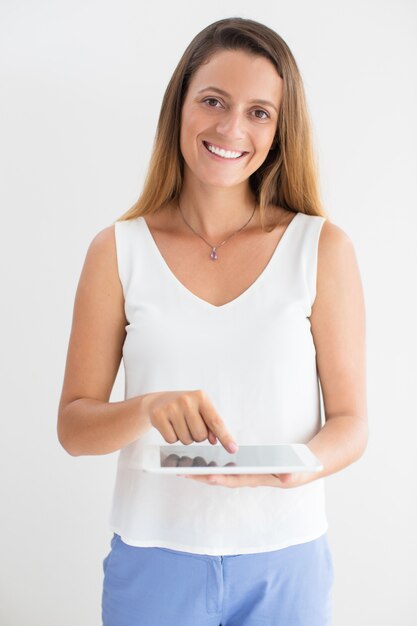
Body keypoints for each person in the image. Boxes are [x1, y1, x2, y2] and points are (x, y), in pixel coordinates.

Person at [57, 16, 368, 626]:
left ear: (280, 131)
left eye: (259, 112)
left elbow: (353, 423)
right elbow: (74, 428)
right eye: (213, 101)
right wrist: (147, 407)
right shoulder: (116, 251)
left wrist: (295, 466)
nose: (231, 128)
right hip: (152, 563)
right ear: (180, 107)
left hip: (286, 563)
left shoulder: (321, 248)